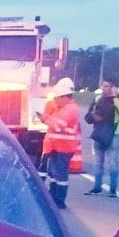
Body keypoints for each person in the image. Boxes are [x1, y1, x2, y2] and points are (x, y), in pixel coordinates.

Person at [37, 77, 81, 209]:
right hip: (58, 147)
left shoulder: (70, 109)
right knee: (55, 173)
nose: (55, 100)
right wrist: (45, 119)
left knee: (60, 174)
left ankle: (59, 200)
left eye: (57, 98)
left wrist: (45, 119)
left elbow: (57, 126)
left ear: (64, 97)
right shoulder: (62, 108)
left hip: (64, 148)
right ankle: (54, 195)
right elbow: (54, 123)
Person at [84, 80, 119, 196]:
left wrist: (115, 99)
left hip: (113, 135)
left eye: (106, 86)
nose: (103, 88)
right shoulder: (97, 99)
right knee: (98, 163)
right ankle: (97, 187)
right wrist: (93, 117)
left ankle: (113, 189)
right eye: (103, 86)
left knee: (113, 164)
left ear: (113, 87)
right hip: (98, 134)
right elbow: (87, 117)